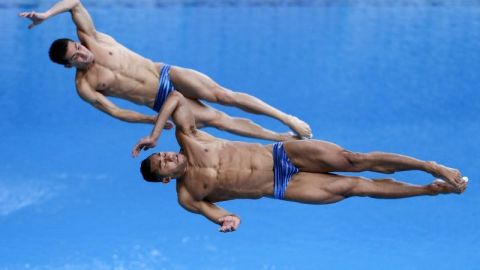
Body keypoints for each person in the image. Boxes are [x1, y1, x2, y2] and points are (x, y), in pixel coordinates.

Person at [132, 91, 468, 233]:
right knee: (353, 187)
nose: (166, 156)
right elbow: (217, 213)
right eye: (163, 163)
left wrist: (153, 132)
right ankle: (429, 189)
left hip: (281, 154)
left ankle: (431, 166)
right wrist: (229, 219)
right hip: (282, 185)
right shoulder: (187, 195)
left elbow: (175, 97)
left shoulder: (189, 139)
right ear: (165, 178)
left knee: (355, 159)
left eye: (161, 153)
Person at [19, 0, 312, 141]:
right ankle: (282, 137)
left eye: (77, 47)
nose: (83, 52)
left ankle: (286, 118)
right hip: (159, 102)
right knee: (220, 121)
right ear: (69, 65)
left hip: (165, 74)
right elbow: (117, 112)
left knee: (223, 96)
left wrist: (45, 14)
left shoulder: (92, 38)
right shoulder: (85, 87)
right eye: (76, 57)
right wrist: (152, 119)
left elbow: (75, 3)